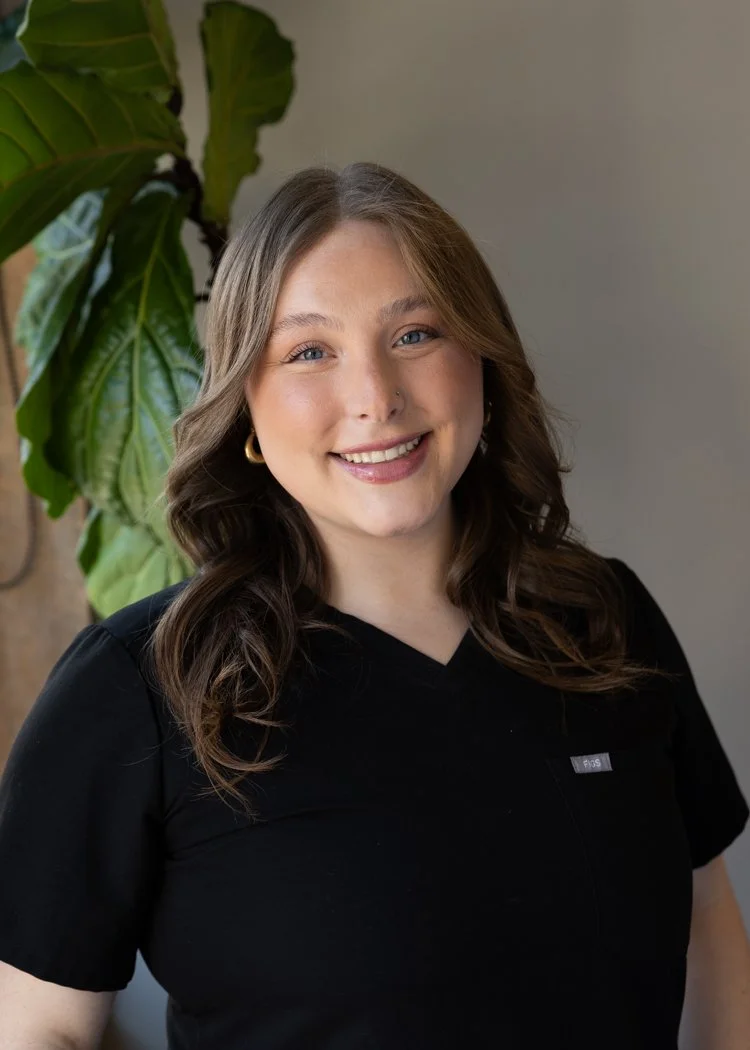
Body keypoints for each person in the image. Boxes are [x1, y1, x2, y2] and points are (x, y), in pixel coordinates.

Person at [0, 161, 748, 1050]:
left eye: (417, 333)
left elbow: (709, 928)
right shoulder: (137, 686)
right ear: (245, 406)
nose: (375, 399)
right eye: (309, 351)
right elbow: (39, 1024)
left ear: (485, 359)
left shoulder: (604, 620)